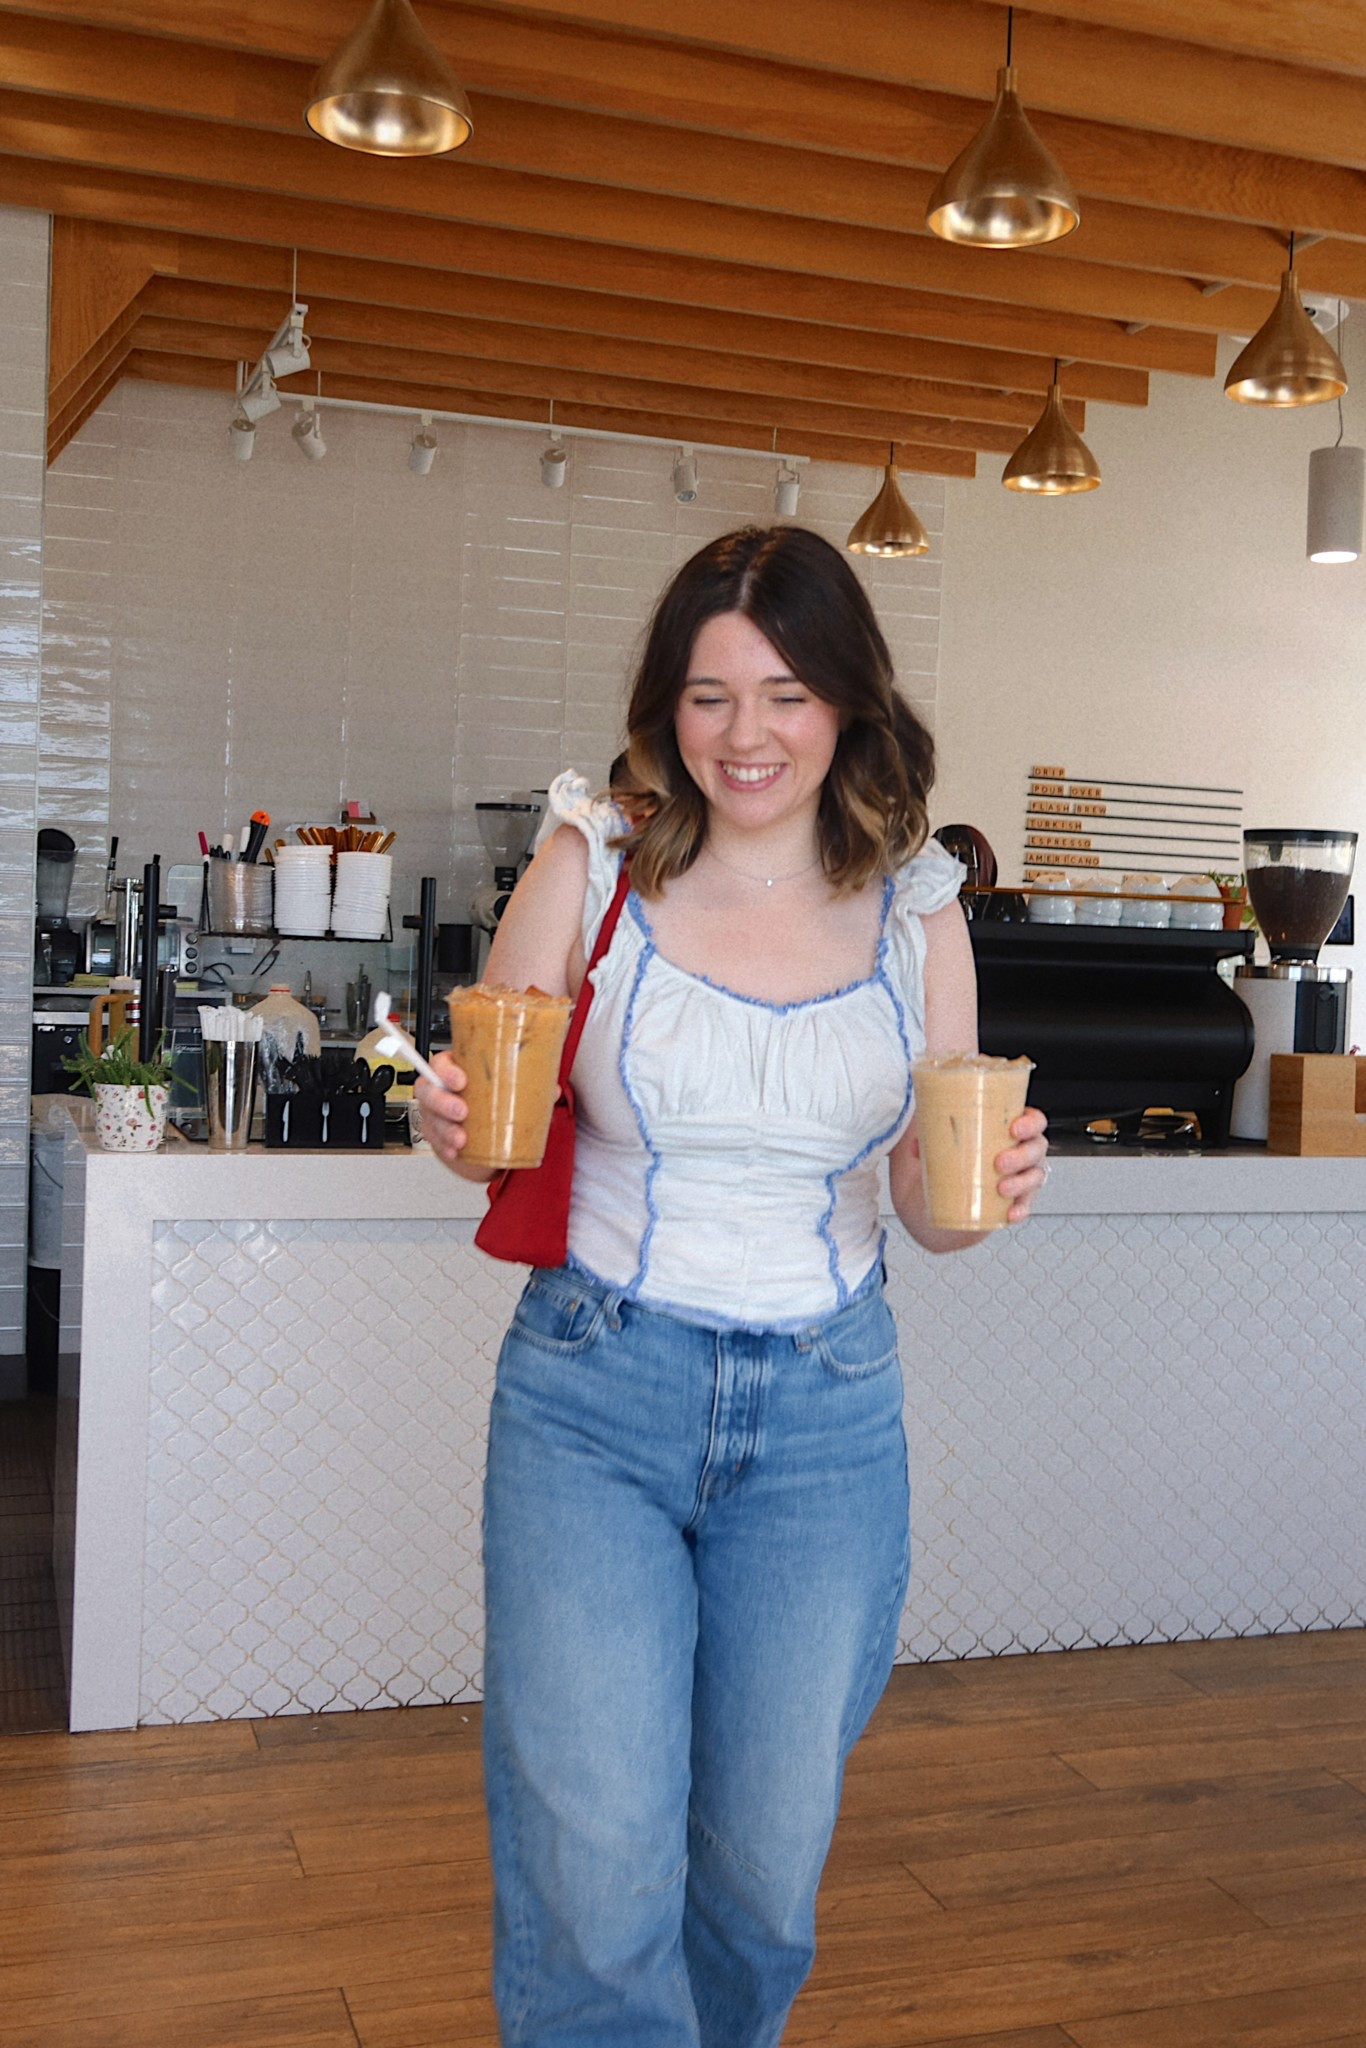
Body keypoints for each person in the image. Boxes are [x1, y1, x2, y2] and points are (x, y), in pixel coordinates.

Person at [418, 524, 1049, 2048]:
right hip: (593, 1393)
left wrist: (987, 1192)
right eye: (707, 696)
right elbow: (496, 1099)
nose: (743, 735)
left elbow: (927, 1204)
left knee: (761, 1880)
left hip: (825, 1418)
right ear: (665, 706)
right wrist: (449, 1120)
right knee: (592, 1861)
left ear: (846, 702)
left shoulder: (917, 908)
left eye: (783, 694)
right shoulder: (592, 859)